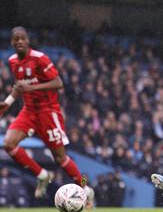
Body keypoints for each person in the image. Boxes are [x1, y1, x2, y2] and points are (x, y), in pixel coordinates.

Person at [0, 26, 93, 201]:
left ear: (27, 41)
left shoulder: (39, 59)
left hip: (48, 112)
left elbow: (58, 83)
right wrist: (8, 102)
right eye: (16, 39)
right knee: (8, 144)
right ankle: (42, 174)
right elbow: (20, 87)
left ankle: (85, 187)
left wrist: (31, 87)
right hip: (28, 111)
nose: (20, 41)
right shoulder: (13, 61)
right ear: (12, 42)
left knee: (60, 158)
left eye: (23, 38)